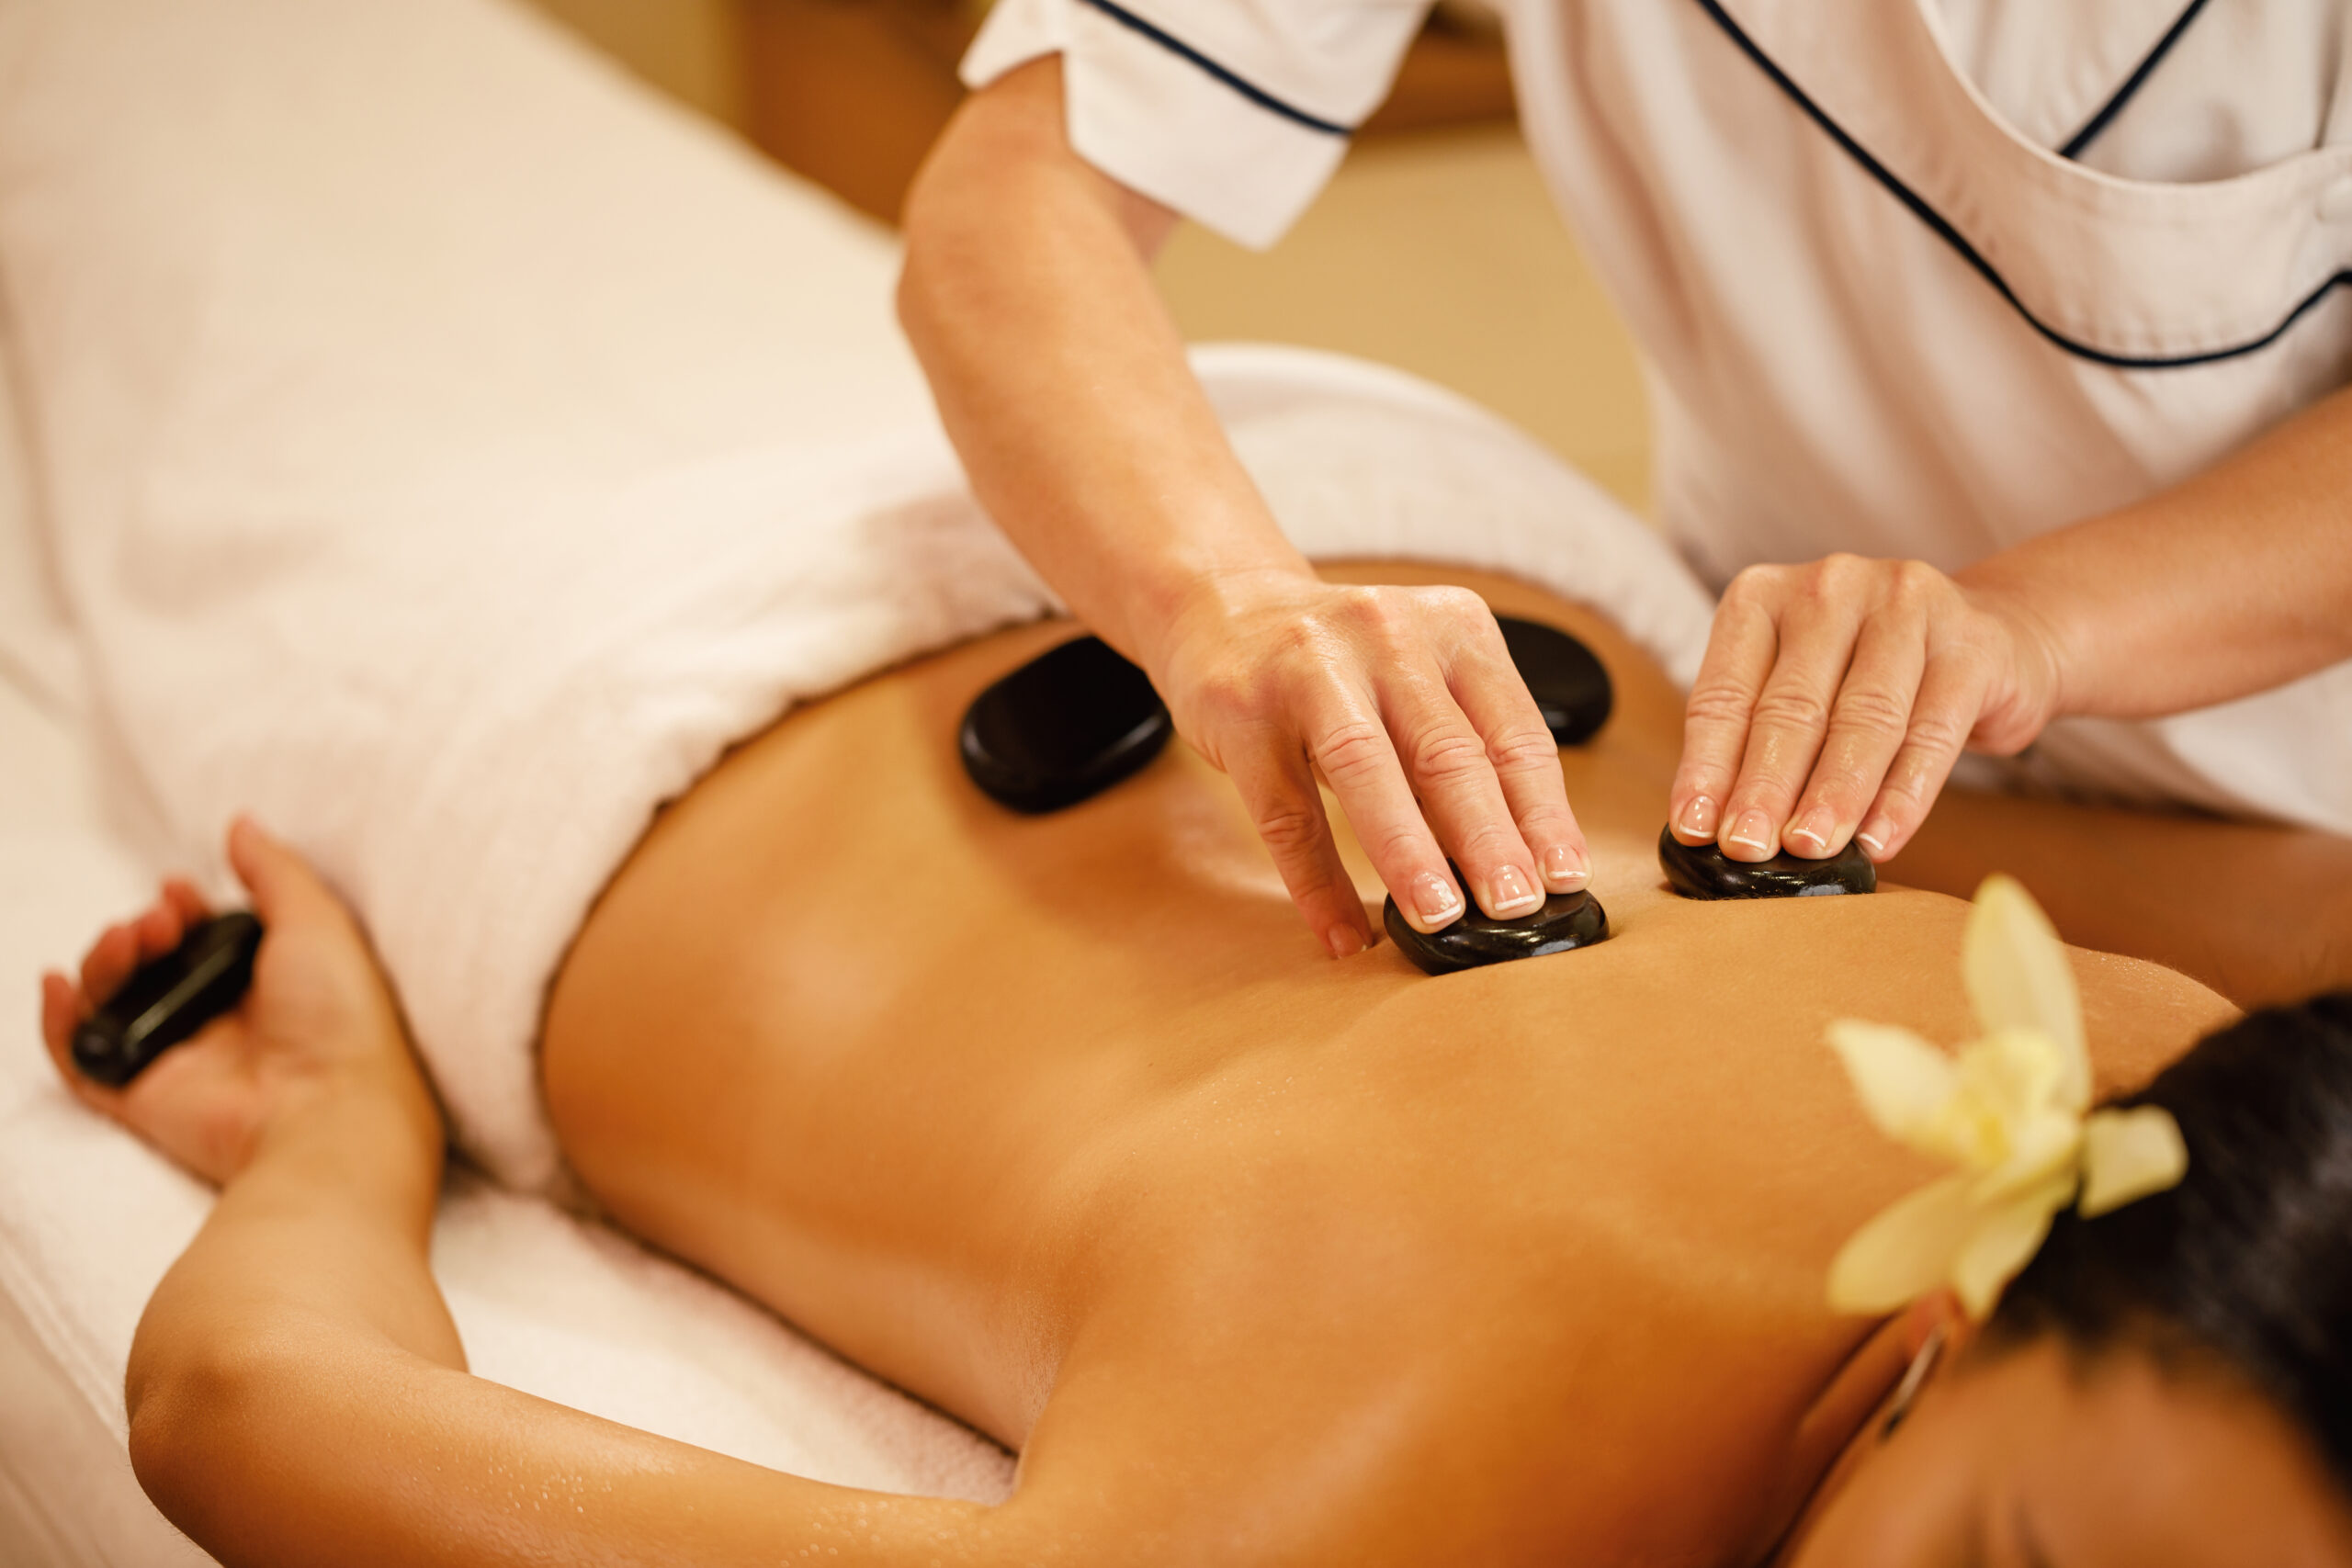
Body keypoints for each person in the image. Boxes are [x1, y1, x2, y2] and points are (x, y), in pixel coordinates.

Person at [39, 569, 2352, 1564]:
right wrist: (339, 1133)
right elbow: (236, 1408)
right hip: (657, 687)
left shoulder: (2236, 1116)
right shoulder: (1377, 1494)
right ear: (1938, 1343)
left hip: (1439, 573)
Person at [898, 0, 2352, 964]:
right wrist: (1225, 601)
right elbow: (1016, 196)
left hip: (2294, 811)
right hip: (1752, 767)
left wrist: (2030, 622)